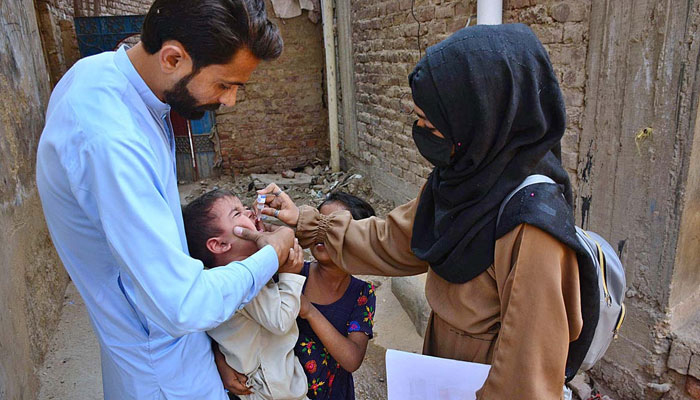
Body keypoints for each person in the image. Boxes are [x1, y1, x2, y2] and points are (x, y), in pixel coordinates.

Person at [250, 24, 584, 399]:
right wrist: (310, 223)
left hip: (486, 376)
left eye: (431, 124)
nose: (421, 132)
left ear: (481, 116)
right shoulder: (462, 182)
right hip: (445, 362)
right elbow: (394, 238)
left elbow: (526, 375)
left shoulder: (532, 224)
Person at [35, 0, 294, 398]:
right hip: (163, 370)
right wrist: (271, 255)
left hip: (164, 346)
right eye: (225, 84)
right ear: (173, 57)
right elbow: (182, 305)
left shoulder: (105, 76)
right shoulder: (111, 140)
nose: (230, 101)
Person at [182, 189, 309, 400]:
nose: (250, 213)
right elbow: (280, 320)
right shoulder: (241, 282)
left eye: (246, 208)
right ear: (220, 245)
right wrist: (290, 275)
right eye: (237, 213)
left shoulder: (218, 277)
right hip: (272, 390)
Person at [295, 192, 377, 400]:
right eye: (318, 224)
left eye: (334, 229)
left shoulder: (362, 293)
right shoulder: (292, 276)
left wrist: (309, 311)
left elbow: (351, 359)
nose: (321, 234)